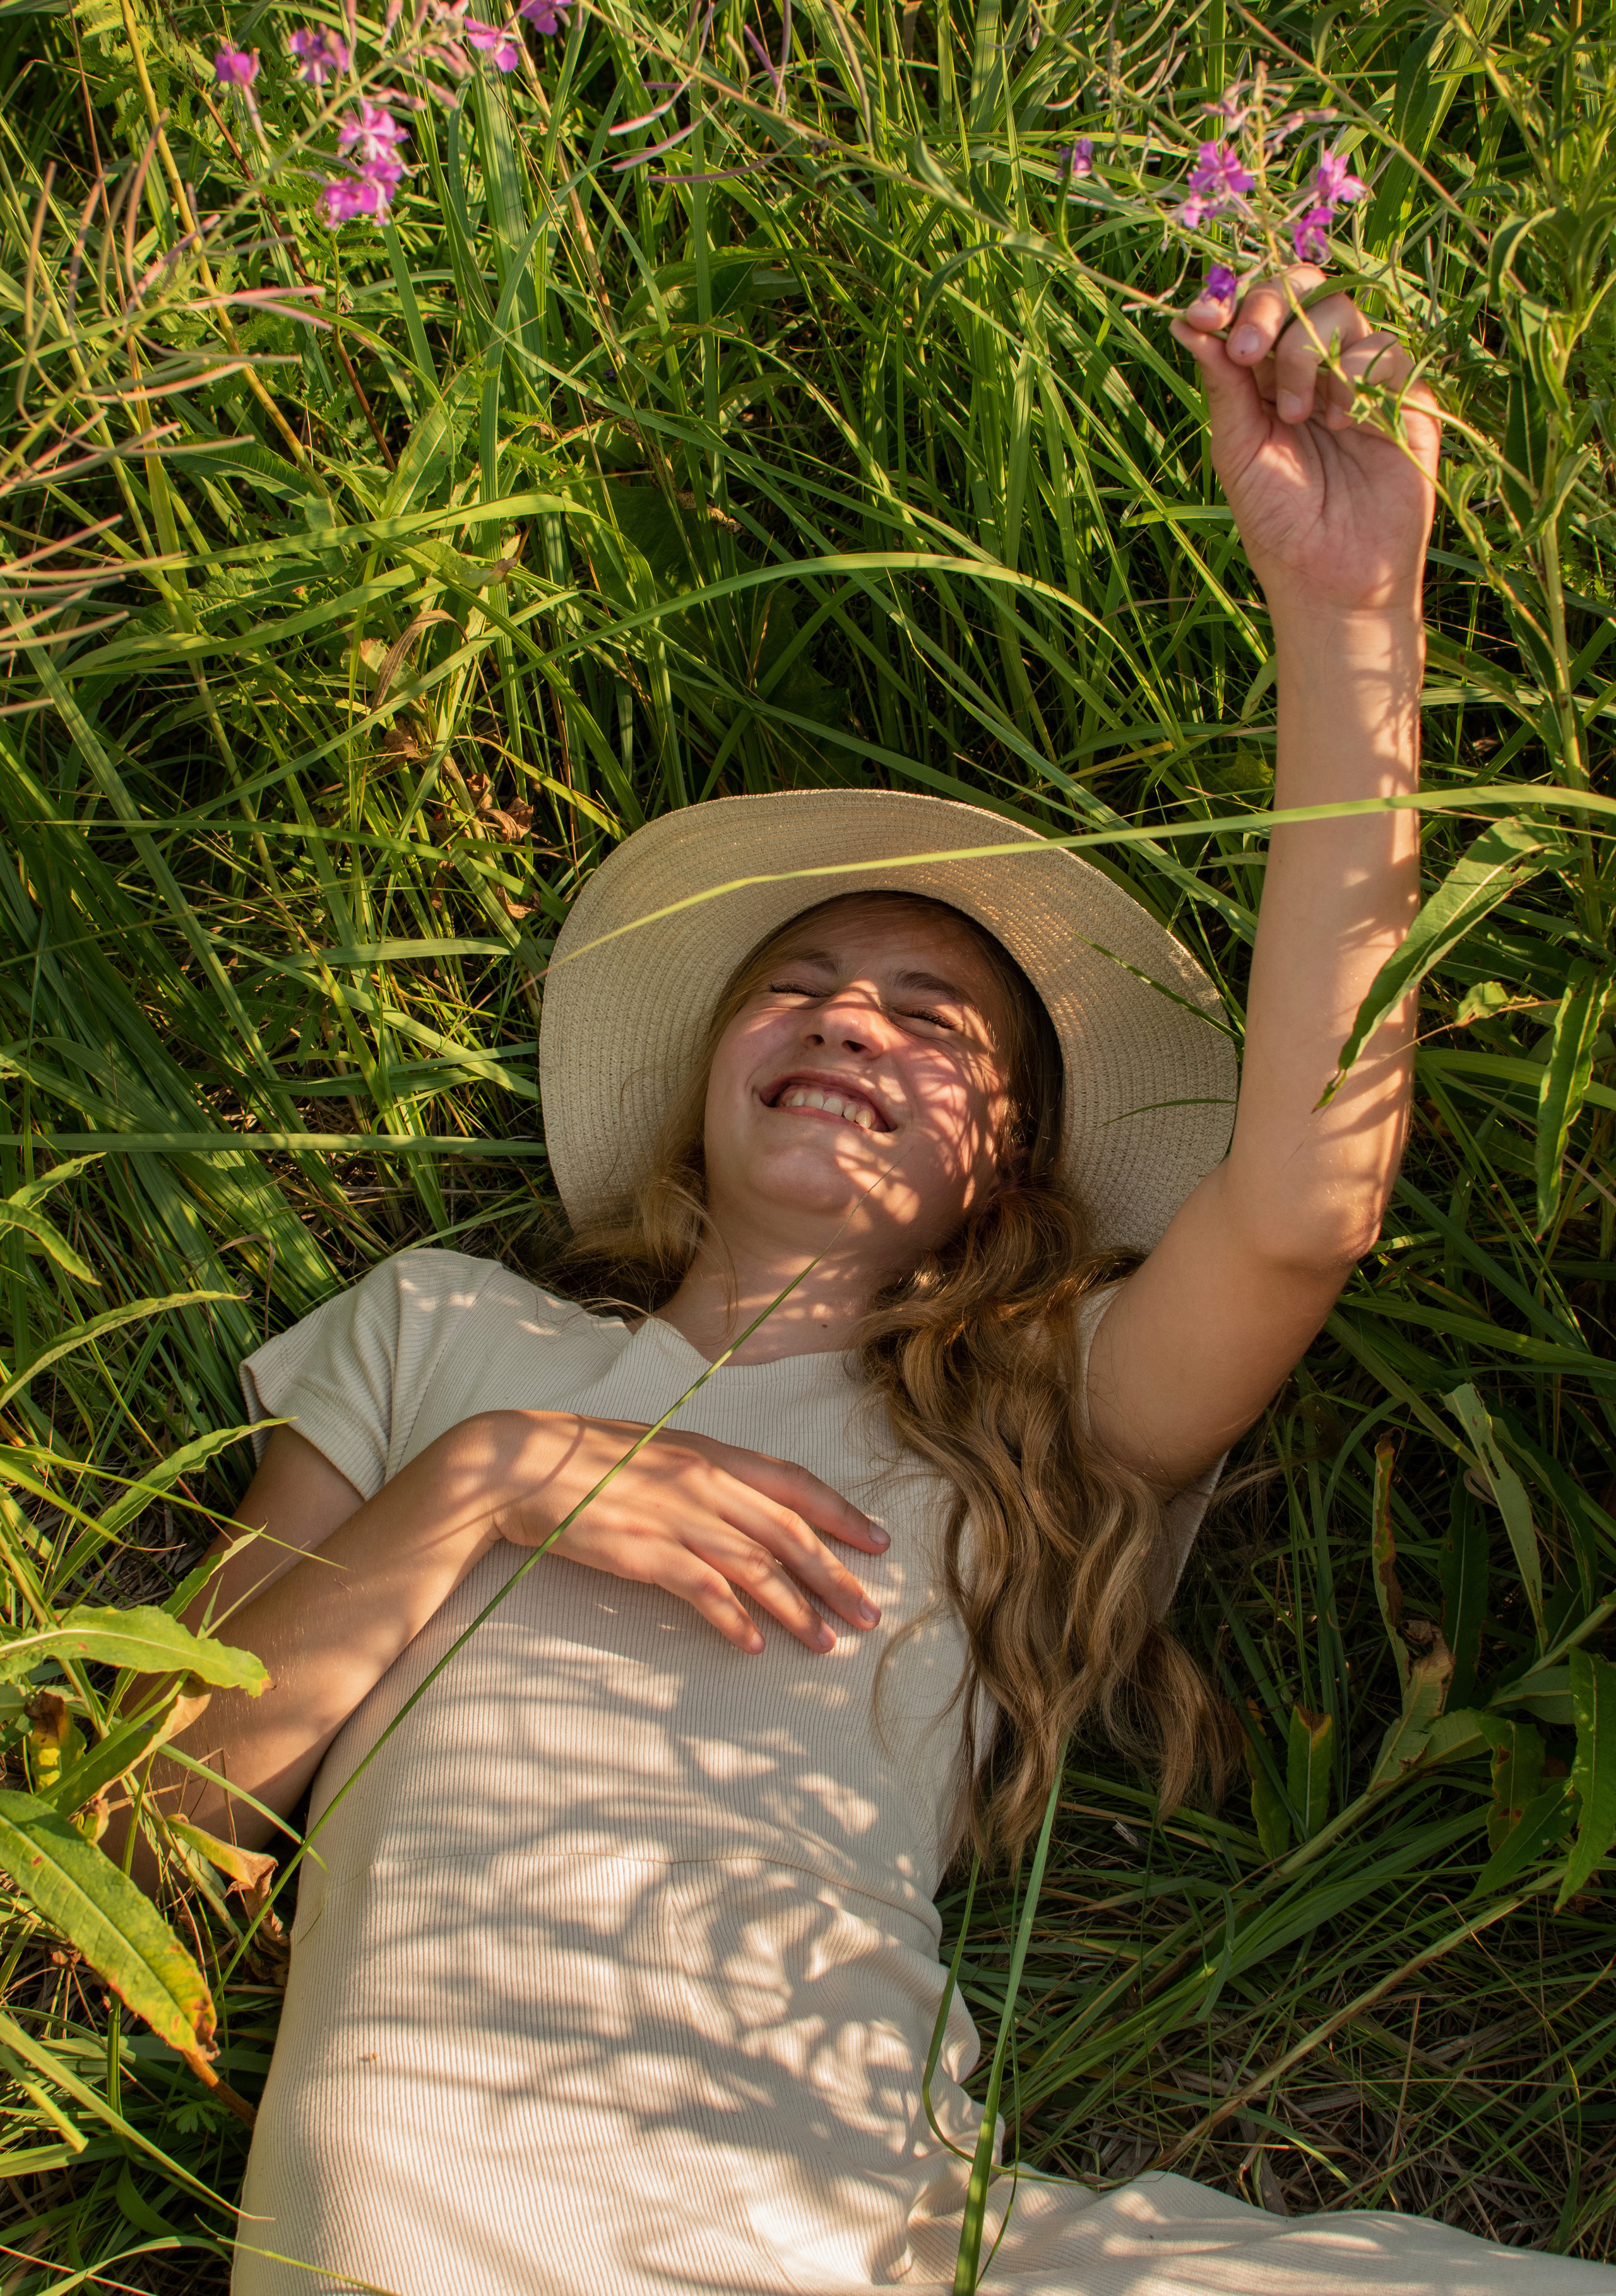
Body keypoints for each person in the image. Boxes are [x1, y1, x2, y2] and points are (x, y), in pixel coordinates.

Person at [146, 275, 1609, 2294]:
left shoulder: (1031, 1415)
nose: (853, 1019)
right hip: (468, 2200)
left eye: (936, 1019)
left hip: (889, 2224)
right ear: (705, 1066)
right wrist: (491, 1480)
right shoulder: (445, 1336)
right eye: (803, 983)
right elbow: (151, 1811)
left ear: (1011, 1162)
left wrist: (1353, 618)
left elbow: (1305, 1208)